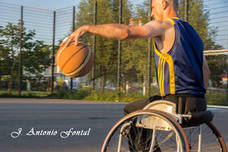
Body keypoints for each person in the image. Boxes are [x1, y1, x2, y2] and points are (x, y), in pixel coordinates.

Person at [62, 0, 210, 115]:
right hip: (199, 105)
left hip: (175, 105)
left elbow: (127, 32)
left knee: (130, 111)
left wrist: (86, 28)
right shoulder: (193, 32)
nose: (151, 13)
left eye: (152, 7)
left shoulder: (164, 25)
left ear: (163, 4)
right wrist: (196, 100)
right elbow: (206, 72)